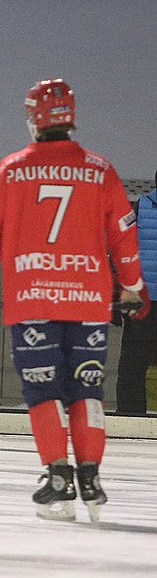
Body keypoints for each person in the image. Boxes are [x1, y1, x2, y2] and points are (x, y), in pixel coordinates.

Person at [0, 79, 147, 522]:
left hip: (33, 299)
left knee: (43, 392)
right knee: (86, 390)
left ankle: (58, 478)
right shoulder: (101, 169)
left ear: (33, 118)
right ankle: (91, 478)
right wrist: (132, 286)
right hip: (89, 300)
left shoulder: (11, 169)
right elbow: (124, 237)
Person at [112, 172, 157, 416]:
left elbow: (120, 250)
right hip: (142, 300)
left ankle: (131, 418)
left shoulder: (140, 208)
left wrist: (116, 295)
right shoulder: (139, 207)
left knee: (133, 364)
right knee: (133, 364)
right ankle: (131, 416)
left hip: (142, 299)